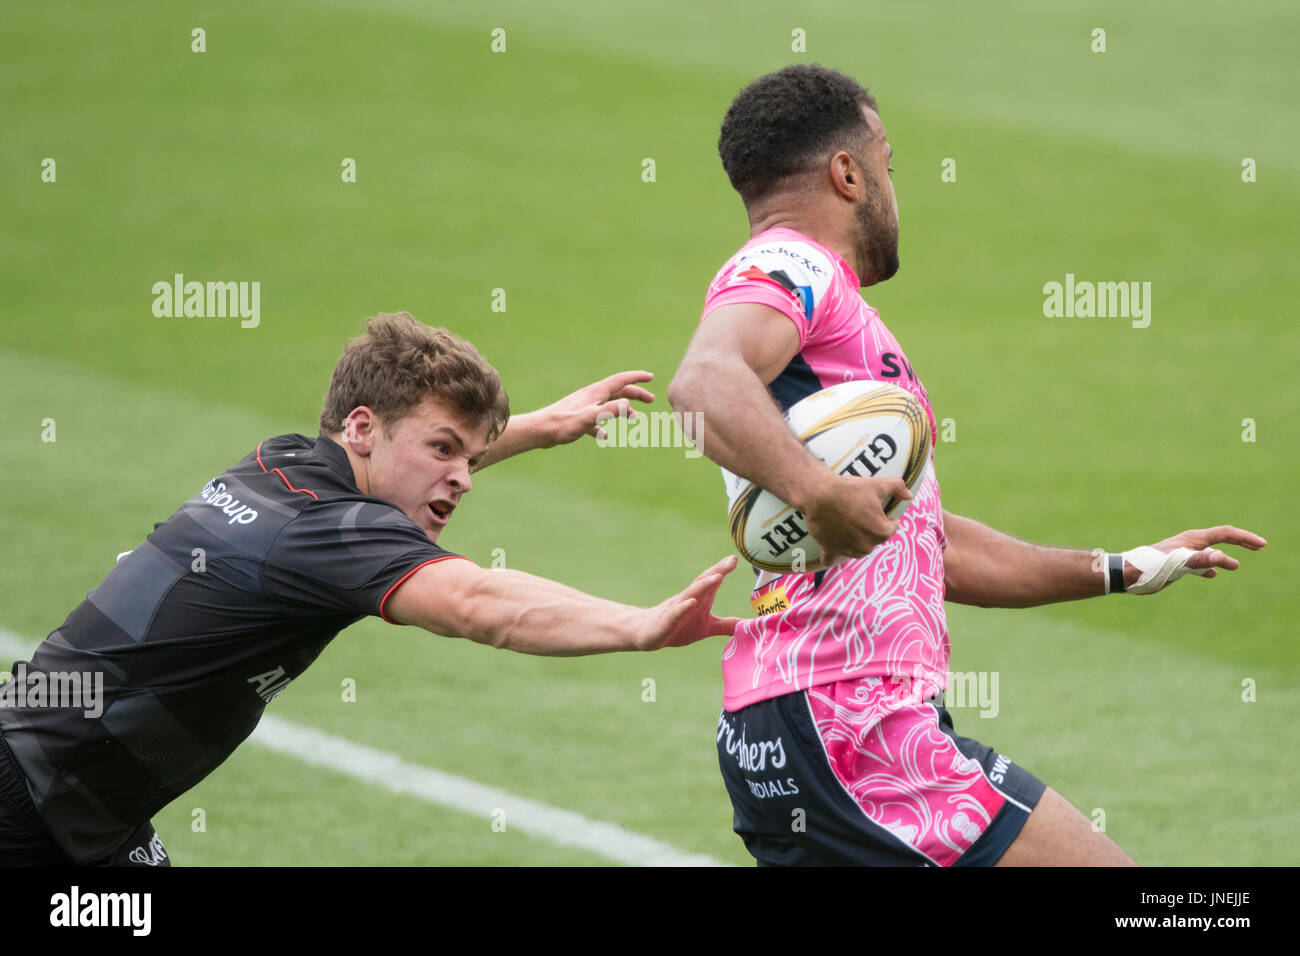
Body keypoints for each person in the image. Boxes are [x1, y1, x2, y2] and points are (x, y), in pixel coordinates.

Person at [667, 64, 1266, 866]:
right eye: (887, 160)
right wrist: (818, 493)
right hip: (857, 727)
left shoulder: (819, 323)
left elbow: (924, 544)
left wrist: (1124, 568)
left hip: (788, 728)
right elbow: (700, 384)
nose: (891, 183)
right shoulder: (793, 267)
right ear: (848, 173)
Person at [0, 312, 739, 866]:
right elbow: (478, 604)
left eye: (471, 457)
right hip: (35, 806)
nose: (461, 477)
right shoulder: (335, 535)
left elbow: (402, 471)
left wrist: (540, 427)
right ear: (361, 427)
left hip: (74, 796)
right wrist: (640, 625)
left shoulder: (278, 464)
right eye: (445, 449)